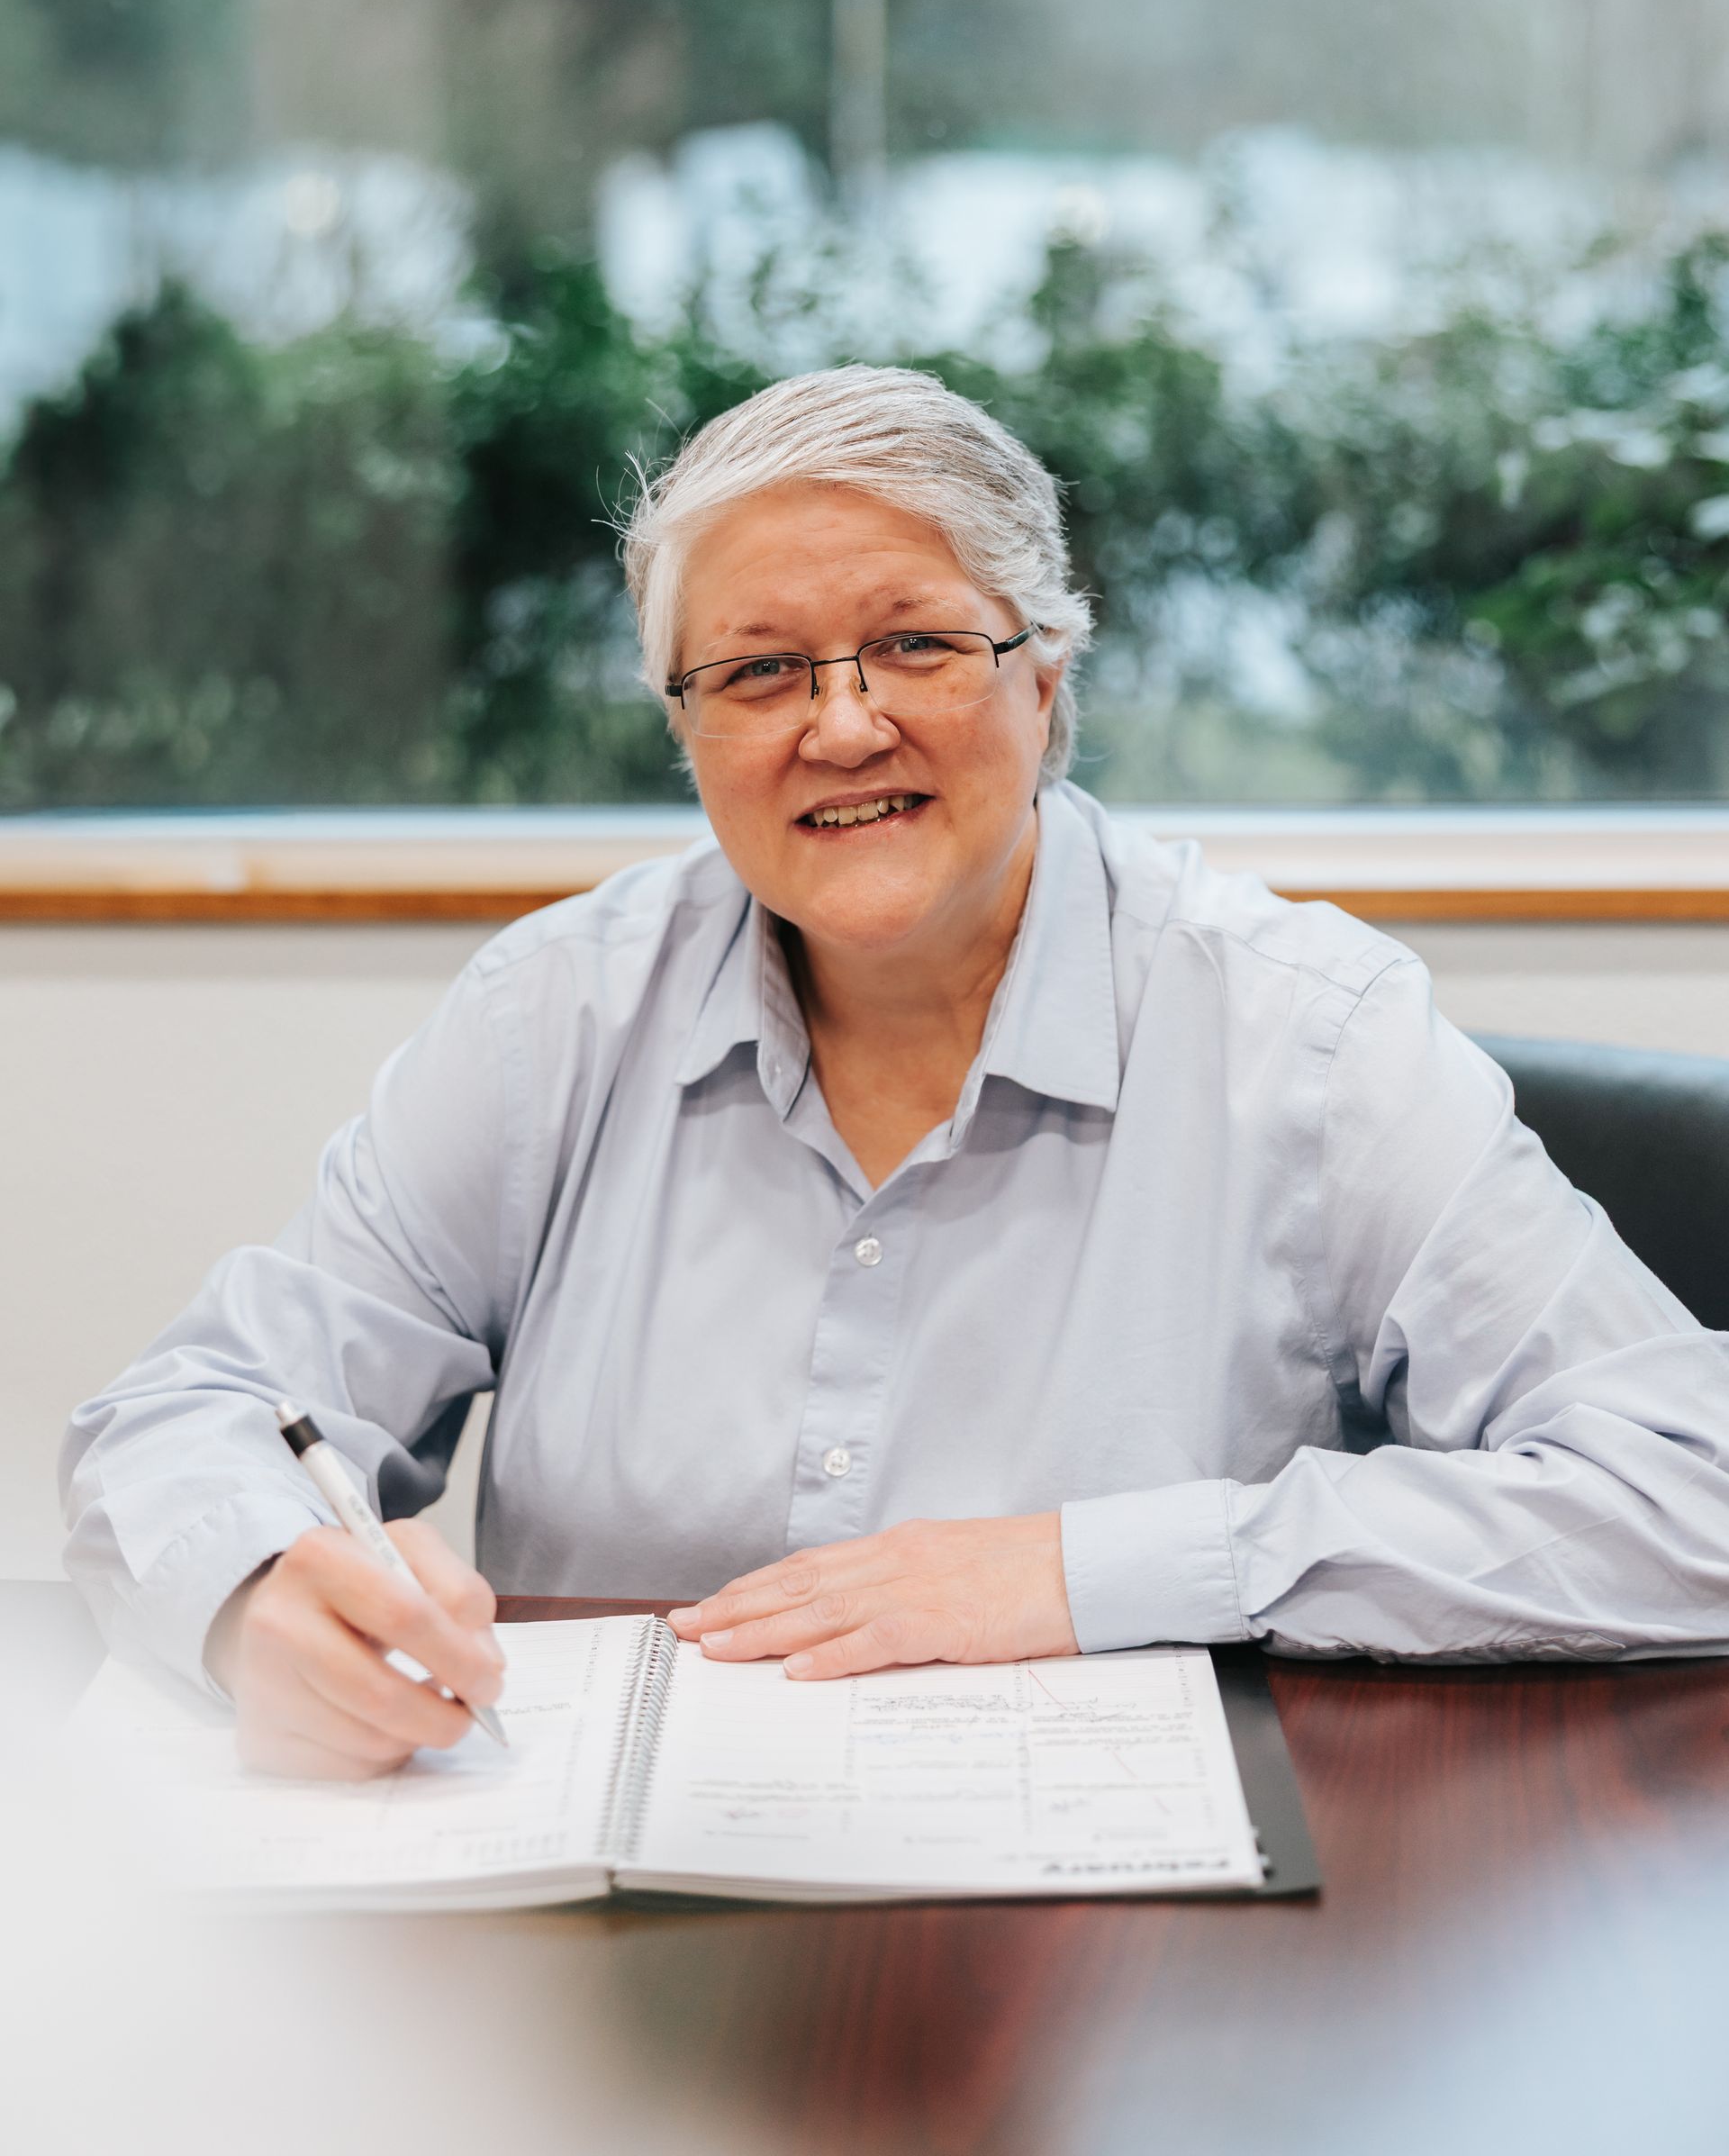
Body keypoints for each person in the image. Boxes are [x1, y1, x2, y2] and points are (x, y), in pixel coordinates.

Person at [63, 367, 1729, 1780]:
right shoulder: (551, 1020)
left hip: (1146, 1958)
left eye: (918, 645)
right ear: (685, 723)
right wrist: (255, 1589)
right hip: (605, 1957)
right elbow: (191, 1415)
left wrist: (1093, 1571)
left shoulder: (1309, 1037)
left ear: (1046, 672)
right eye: (760, 670)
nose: (842, 726)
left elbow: (1692, 1484)